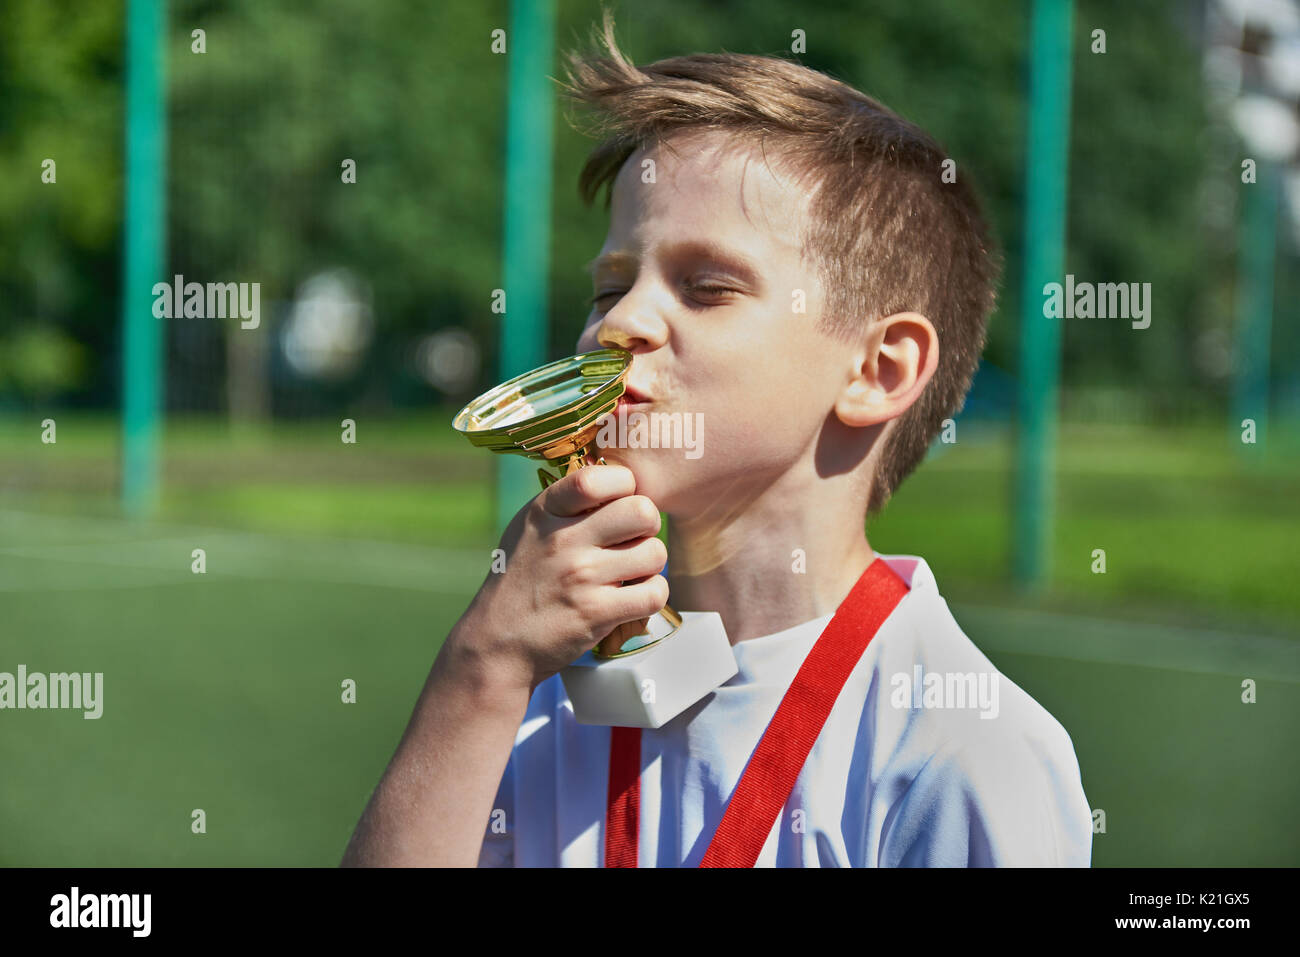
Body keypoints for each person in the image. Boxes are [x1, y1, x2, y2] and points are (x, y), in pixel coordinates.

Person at [341, 11, 1092, 868]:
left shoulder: (961, 750)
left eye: (705, 287)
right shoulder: (537, 699)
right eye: (609, 287)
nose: (617, 325)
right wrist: (478, 672)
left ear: (879, 370)